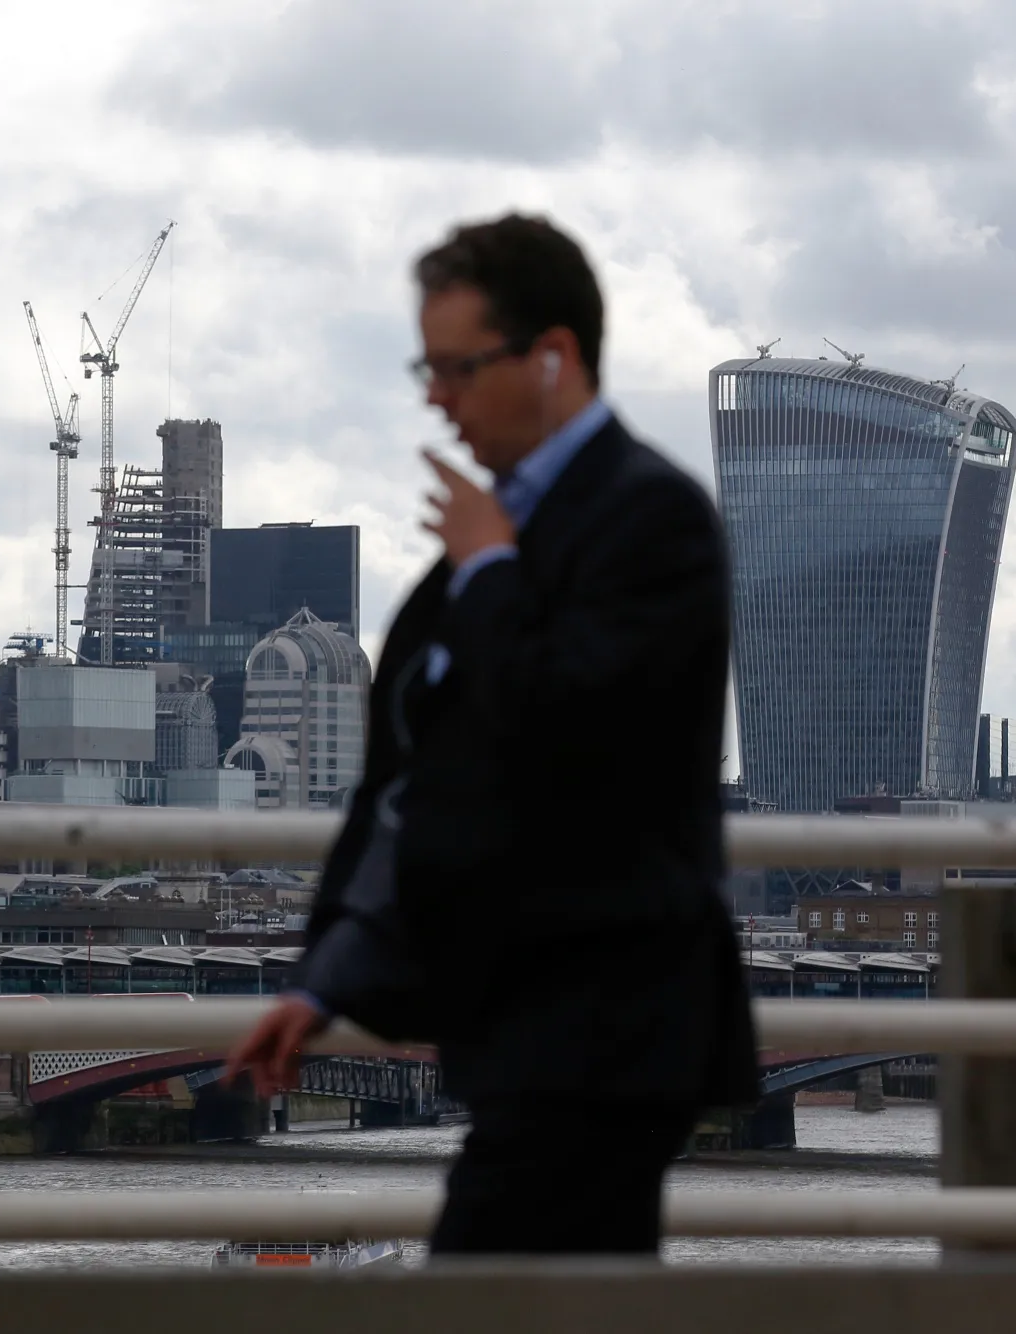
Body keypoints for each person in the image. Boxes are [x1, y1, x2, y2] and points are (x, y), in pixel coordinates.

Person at [227, 213, 758, 1256]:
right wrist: (324, 975)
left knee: (486, 1287)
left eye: (457, 366)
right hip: (520, 1027)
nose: (434, 396)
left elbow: (574, 733)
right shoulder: (479, 544)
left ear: (551, 357)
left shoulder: (649, 519)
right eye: (426, 367)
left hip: (607, 1028)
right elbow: (417, 785)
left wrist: (486, 571)